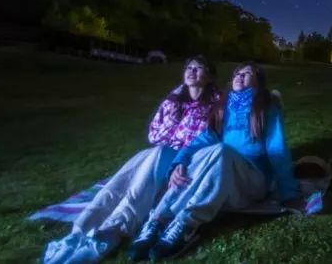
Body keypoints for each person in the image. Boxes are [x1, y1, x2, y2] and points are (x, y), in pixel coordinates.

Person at [42, 56, 220, 264]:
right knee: (121, 181)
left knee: (138, 188)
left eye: (199, 68)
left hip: (186, 156)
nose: (192, 71)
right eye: (189, 67)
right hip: (160, 150)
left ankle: (112, 230)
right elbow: (154, 133)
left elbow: (206, 137)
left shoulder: (215, 103)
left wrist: (177, 143)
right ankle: (80, 229)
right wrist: (172, 138)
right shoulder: (174, 99)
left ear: (209, 76)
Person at [127, 62, 304, 262]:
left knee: (221, 151)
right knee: (198, 155)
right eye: (237, 72)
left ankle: (187, 224)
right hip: (224, 177)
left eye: (247, 73)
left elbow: (277, 150)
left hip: (252, 181)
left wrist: (289, 194)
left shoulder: (266, 105)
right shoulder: (225, 106)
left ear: (259, 82)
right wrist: (180, 162)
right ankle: (158, 220)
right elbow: (203, 139)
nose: (239, 75)